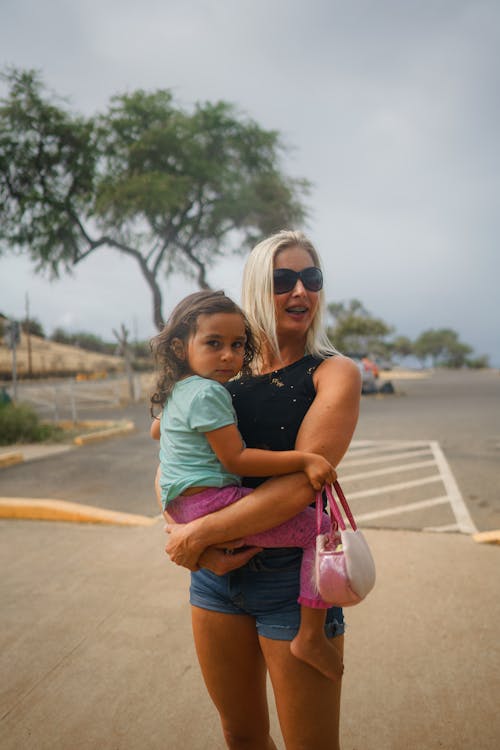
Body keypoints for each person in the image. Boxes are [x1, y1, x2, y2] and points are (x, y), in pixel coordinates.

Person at [163, 230, 361, 750]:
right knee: (242, 735)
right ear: (256, 286)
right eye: (283, 280)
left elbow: (299, 487)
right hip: (214, 579)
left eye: (311, 278)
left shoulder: (333, 372)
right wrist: (183, 535)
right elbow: (174, 456)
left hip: (289, 587)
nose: (300, 291)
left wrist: (195, 536)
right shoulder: (222, 368)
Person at [150, 289, 342, 680]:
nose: (227, 356)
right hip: (214, 503)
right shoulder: (208, 392)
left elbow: (158, 433)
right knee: (322, 529)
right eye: (213, 344)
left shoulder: (179, 392)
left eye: (237, 345)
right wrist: (304, 459)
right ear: (179, 347)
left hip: (183, 505)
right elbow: (235, 459)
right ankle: (309, 635)